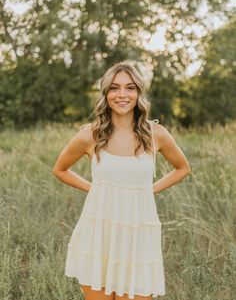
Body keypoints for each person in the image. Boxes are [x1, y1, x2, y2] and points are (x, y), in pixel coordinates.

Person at [52, 61, 191, 300]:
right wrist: (96, 189)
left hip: (139, 235)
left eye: (130, 88)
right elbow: (60, 169)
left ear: (139, 92)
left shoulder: (156, 134)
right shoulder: (90, 135)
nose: (122, 94)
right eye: (114, 88)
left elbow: (182, 168)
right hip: (99, 232)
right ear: (106, 94)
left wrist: (148, 190)